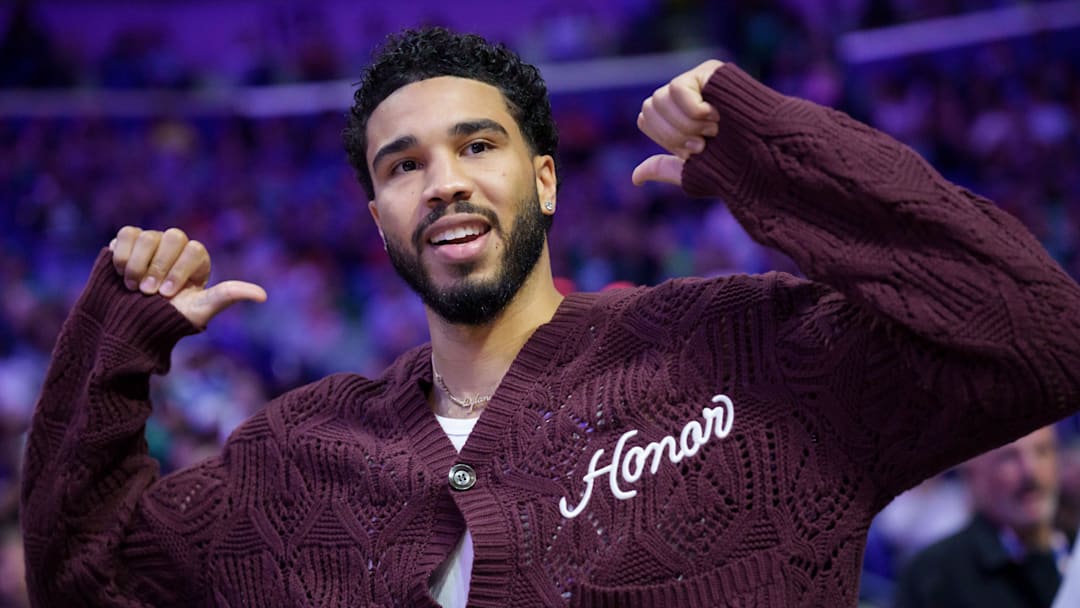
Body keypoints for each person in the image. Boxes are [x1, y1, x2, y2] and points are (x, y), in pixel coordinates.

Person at [20, 26, 1080, 608]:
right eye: (404, 164)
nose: (441, 181)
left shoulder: (751, 357)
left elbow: (1040, 334)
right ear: (377, 214)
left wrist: (775, 155)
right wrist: (116, 341)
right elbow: (86, 569)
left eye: (477, 146)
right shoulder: (296, 458)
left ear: (546, 180)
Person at [894, 426, 1071, 608]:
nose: (1030, 471)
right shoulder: (933, 575)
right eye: (1008, 457)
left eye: (1043, 451)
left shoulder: (1073, 549)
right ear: (973, 473)